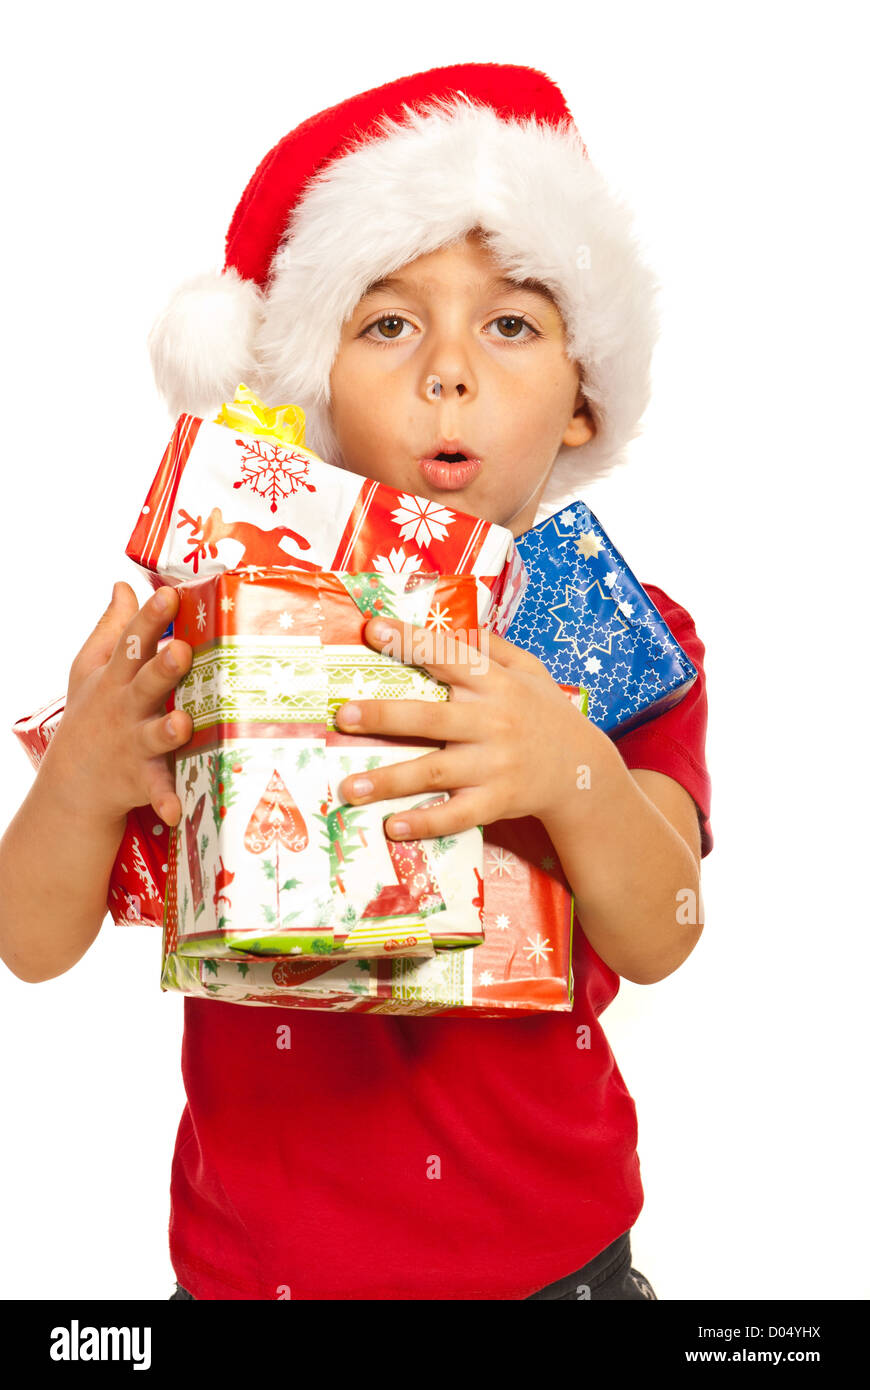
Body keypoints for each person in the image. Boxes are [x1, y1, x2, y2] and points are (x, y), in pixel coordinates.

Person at [0, 62, 713, 1301]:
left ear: (586, 396)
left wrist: (573, 771)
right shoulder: (210, 627)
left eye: (511, 323)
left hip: (553, 1272)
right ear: (307, 389)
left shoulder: (621, 638)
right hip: (247, 1280)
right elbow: (26, 940)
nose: (450, 370)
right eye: (387, 323)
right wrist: (83, 776)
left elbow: (670, 935)